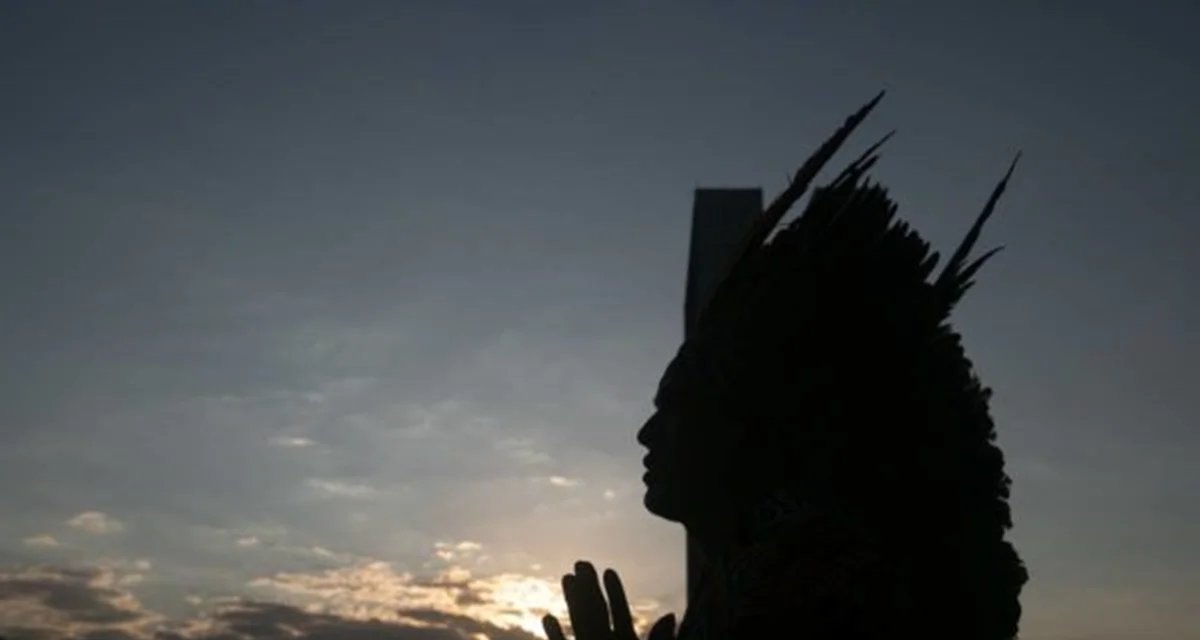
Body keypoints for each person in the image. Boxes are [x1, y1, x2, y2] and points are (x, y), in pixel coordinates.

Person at [543, 93, 1028, 640]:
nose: (646, 432)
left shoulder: (829, 603)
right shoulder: (769, 587)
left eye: (678, 407)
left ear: (752, 429)